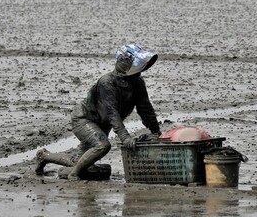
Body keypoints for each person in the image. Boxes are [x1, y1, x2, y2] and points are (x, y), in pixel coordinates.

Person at [35, 43, 162, 179]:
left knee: (80, 161)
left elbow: (145, 108)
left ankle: (44, 156)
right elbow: (112, 113)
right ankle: (74, 174)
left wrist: (156, 131)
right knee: (102, 146)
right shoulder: (107, 83)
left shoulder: (138, 83)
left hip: (102, 123)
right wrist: (125, 138)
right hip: (85, 119)